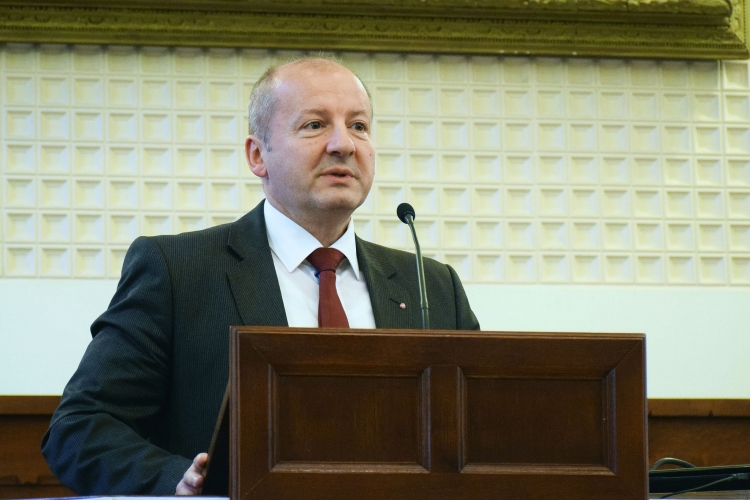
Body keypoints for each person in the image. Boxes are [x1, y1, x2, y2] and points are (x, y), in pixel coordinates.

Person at [41, 57, 479, 496]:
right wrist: (180, 481)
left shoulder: (433, 287)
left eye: (359, 126)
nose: (343, 144)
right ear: (257, 155)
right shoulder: (179, 271)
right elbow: (80, 429)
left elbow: (481, 437)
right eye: (314, 125)